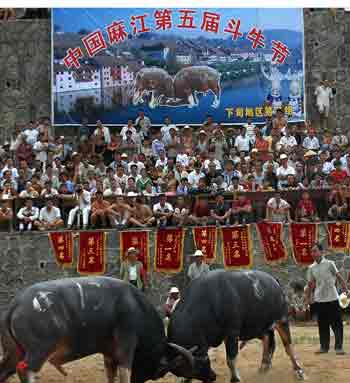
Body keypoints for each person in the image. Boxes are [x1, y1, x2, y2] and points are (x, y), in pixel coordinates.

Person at [305, 243, 349, 355]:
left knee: (337, 323)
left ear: (321, 251)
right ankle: (324, 347)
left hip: (332, 298)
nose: (313, 254)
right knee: (322, 324)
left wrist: (346, 290)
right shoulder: (311, 268)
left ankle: (338, 347)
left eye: (315, 251)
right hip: (319, 299)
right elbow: (310, 284)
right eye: (312, 252)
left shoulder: (330, 264)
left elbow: (339, 277)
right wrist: (308, 298)